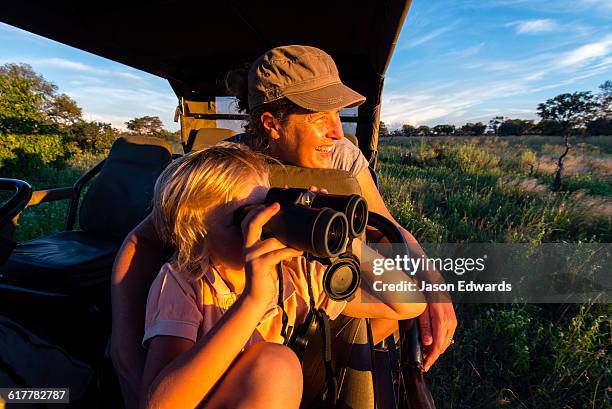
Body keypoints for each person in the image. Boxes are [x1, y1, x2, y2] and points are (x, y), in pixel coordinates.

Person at [111, 45, 456, 409]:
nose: (337, 131)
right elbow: (147, 235)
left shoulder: (339, 157)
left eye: (338, 113)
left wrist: (435, 289)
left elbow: (385, 228)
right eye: (318, 116)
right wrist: (124, 349)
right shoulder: (227, 170)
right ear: (271, 124)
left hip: (299, 319)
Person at [138, 143, 426, 408]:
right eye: (244, 217)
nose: (263, 225)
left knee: (277, 364)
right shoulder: (184, 283)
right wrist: (253, 301)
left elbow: (410, 303)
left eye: (268, 208)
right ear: (196, 235)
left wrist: (346, 242)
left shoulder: (295, 274)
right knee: (275, 362)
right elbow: (159, 403)